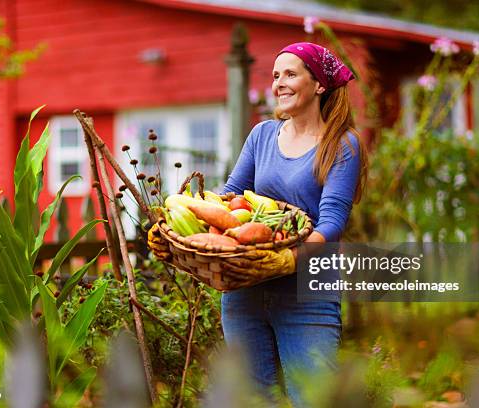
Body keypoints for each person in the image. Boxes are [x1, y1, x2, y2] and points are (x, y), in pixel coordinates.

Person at [149, 42, 367, 406]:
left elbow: (332, 220)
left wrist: (290, 259)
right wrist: (178, 227)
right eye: (275, 75)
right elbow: (231, 196)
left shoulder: (341, 144)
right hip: (244, 289)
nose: (279, 83)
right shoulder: (262, 135)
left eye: (291, 74)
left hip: (306, 292)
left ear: (319, 85)